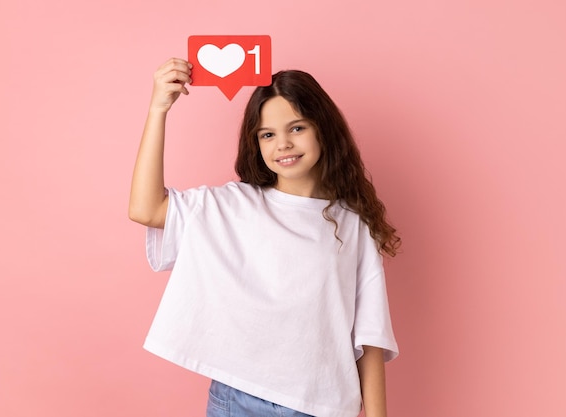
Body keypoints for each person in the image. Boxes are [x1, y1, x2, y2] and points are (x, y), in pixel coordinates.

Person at [129, 57, 401, 417]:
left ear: (323, 130)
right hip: (238, 400)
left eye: (297, 128)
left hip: (319, 406)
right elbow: (145, 209)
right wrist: (158, 108)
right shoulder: (233, 205)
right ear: (255, 142)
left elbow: (369, 336)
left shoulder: (353, 224)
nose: (283, 144)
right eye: (267, 134)